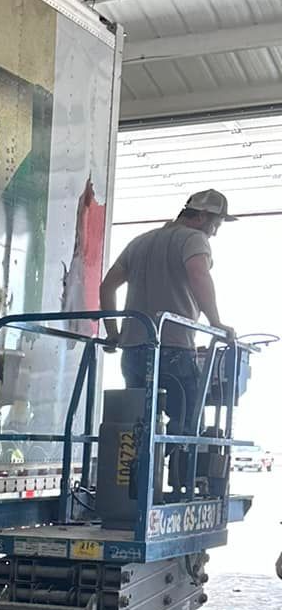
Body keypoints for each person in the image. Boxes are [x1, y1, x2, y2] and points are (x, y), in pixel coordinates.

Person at [101, 188, 231, 492]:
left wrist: (112, 331)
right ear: (200, 217)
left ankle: (134, 490)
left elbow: (107, 285)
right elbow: (199, 274)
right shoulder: (193, 239)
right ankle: (175, 483)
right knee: (187, 419)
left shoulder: (141, 242)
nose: (215, 232)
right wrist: (216, 323)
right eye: (216, 224)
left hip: (132, 350)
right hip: (172, 348)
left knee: (138, 422)